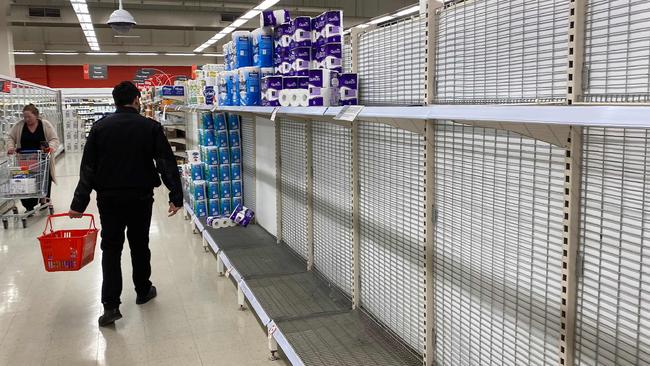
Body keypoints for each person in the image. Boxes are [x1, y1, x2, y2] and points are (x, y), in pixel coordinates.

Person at [69, 81, 183, 327]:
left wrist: (79, 204)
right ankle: (143, 290)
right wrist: (176, 196)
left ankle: (110, 306)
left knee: (111, 249)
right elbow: (165, 162)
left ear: (115, 101)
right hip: (140, 197)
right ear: (135, 99)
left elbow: (88, 167)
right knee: (140, 244)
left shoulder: (100, 128)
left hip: (109, 199)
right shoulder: (150, 127)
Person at [7, 104, 60, 212]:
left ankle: (43, 200)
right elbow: (11, 137)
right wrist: (11, 147)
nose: (26, 119)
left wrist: (49, 148)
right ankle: (29, 205)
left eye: (29, 117)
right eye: (24, 117)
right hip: (24, 160)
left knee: (44, 180)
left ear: (36, 115)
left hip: (42, 159)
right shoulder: (19, 125)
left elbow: (54, 139)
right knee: (26, 182)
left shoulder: (45, 124)